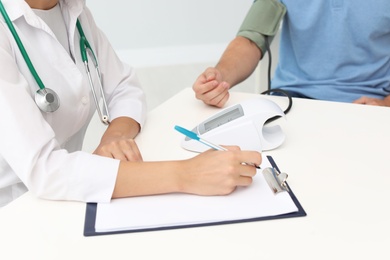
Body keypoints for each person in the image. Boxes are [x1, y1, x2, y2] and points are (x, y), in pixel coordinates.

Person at [0, 0, 261, 207]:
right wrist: (187, 174)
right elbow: (45, 170)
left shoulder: (73, 12)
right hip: (13, 212)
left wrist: (113, 138)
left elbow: (125, 86)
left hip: (61, 197)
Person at [192, 0, 390, 108]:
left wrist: (385, 105)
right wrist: (219, 78)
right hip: (293, 100)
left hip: (371, 102)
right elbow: (252, 39)